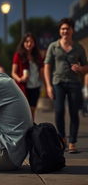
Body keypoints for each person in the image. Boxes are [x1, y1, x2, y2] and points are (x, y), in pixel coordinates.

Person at [44, 18, 88, 153]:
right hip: (58, 83)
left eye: (67, 29)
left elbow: (86, 67)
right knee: (59, 111)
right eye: (62, 29)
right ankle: (62, 138)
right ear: (60, 31)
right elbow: (47, 66)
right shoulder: (53, 46)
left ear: (72, 30)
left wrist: (80, 69)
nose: (65, 31)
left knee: (74, 112)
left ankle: (72, 142)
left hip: (74, 83)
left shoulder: (79, 48)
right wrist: (48, 86)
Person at [12, 33, 44, 120]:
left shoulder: (37, 56)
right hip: (23, 87)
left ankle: (31, 130)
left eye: (31, 42)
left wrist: (45, 85)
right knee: (24, 110)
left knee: (32, 110)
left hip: (35, 86)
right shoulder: (18, 55)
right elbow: (13, 72)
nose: (29, 44)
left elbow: (41, 72)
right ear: (23, 43)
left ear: (34, 43)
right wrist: (20, 79)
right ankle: (24, 130)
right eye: (27, 41)